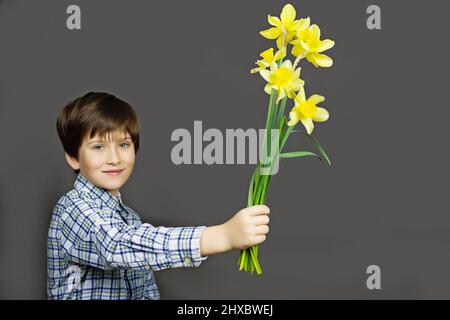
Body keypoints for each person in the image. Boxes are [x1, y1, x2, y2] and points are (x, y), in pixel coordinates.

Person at [47, 91, 270, 299]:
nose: (114, 158)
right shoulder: (73, 208)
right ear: (73, 158)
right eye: (98, 147)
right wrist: (220, 236)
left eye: (124, 144)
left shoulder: (129, 218)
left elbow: (144, 289)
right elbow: (116, 246)